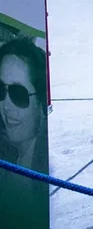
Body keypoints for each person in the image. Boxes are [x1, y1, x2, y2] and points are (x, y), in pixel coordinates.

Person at [0, 37, 47, 227]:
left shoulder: (47, 176)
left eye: (18, 94)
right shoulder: (8, 153)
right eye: (1, 91)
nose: (6, 106)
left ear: (40, 103)